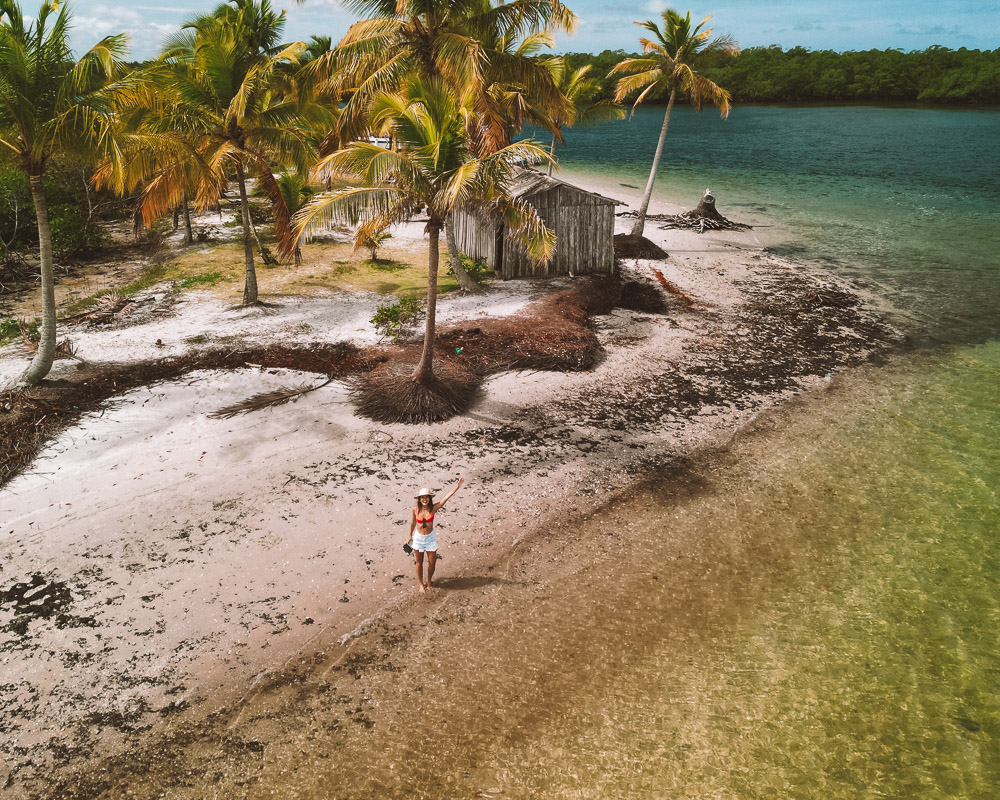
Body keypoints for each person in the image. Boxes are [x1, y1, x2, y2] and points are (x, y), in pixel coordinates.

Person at [406, 477, 464, 592]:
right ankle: (421, 584)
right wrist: (410, 535)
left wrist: (456, 487)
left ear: (429, 498)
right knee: (419, 562)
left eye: (426, 497)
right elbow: (413, 523)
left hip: (430, 538)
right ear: (419, 499)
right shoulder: (415, 510)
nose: (424, 499)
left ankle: (428, 581)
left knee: (432, 563)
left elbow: (445, 498)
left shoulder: (433, 508)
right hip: (418, 538)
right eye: (422, 497)